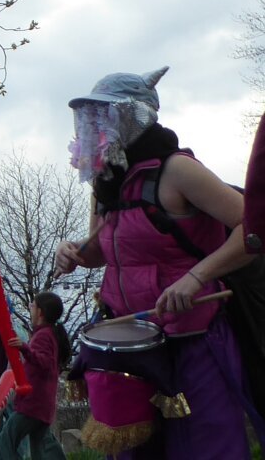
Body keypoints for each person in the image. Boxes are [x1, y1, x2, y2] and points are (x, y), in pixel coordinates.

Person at [55, 66, 265, 458]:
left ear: (136, 113)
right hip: (131, 345)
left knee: (205, 444)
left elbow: (254, 228)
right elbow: (102, 251)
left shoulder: (178, 169)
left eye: (107, 113)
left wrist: (195, 277)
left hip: (196, 336)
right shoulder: (106, 182)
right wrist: (73, 252)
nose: (98, 125)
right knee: (138, 451)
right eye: (93, 116)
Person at [0, 293, 69, 459]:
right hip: (42, 404)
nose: (30, 307)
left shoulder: (43, 336)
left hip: (33, 404)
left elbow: (45, 364)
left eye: (33, 305)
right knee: (41, 449)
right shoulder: (50, 334)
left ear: (40, 312)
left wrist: (24, 348)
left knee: (4, 441)